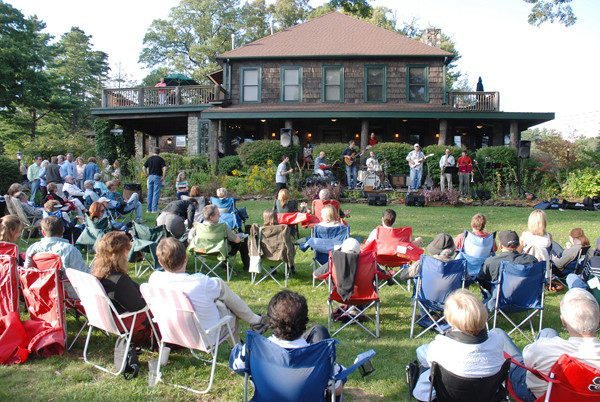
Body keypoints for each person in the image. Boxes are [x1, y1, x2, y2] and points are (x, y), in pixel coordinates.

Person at [150, 237, 267, 342]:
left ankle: (254, 321)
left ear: (160, 261)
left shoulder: (154, 279)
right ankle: (241, 342)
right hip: (204, 337)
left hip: (172, 332)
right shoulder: (200, 282)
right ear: (185, 259)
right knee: (226, 306)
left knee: (219, 299)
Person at [230, 290, 345, 396]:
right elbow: (337, 389)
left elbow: (237, 366)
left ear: (270, 321)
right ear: (305, 321)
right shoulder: (320, 357)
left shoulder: (253, 348)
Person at [495, 288, 600, 401]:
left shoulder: (546, 349)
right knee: (548, 331)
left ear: (563, 321)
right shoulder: (548, 348)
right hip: (583, 393)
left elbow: (527, 361)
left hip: (540, 395)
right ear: (598, 319)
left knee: (498, 334)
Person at [412, 289, 506, 401]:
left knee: (428, 366)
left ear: (450, 320)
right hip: (487, 394)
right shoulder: (497, 338)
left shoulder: (441, 346)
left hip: (448, 396)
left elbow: (421, 354)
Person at [92, 231, 152, 344]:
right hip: (126, 323)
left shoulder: (101, 274)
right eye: (128, 249)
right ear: (122, 252)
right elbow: (138, 307)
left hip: (106, 319)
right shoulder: (119, 280)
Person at [188, 204, 250, 270]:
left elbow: (190, 239)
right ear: (211, 217)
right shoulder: (222, 227)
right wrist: (241, 236)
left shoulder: (197, 226)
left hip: (201, 251)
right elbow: (237, 240)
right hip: (219, 252)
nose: (220, 216)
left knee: (225, 241)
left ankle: (225, 265)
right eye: (218, 214)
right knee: (242, 240)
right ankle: (247, 266)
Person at [477, 230, 538, 296]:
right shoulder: (531, 260)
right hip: (526, 298)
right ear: (518, 245)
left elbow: (481, 280)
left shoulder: (491, 262)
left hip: (501, 298)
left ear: (500, 246)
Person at [24, 216, 89, 276]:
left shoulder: (32, 249)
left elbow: (27, 270)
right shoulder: (69, 249)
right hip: (64, 287)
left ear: (43, 232)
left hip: (39, 285)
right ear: (63, 230)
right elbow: (83, 273)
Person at [144, 147, 167, 214]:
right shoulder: (161, 159)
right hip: (157, 177)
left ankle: (148, 209)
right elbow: (165, 169)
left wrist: (146, 175)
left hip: (150, 177)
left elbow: (143, 167)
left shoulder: (149, 159)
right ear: (159, 152)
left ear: (153, 152)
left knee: (149, 193)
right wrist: (163, 177)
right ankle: (154, 209)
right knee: (156, 193)